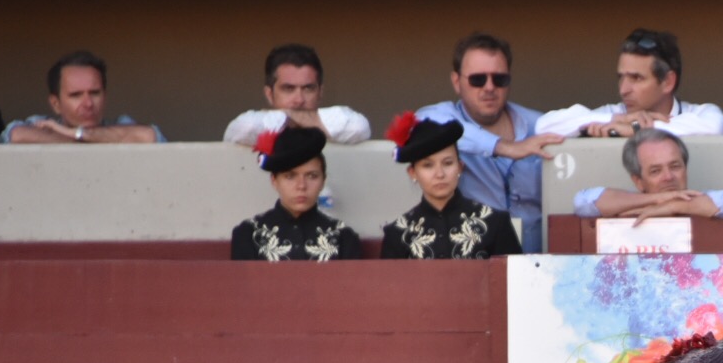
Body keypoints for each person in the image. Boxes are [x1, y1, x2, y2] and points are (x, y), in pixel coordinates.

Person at [415, 32, 564, 254]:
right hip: (474, 263)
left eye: (499, 79)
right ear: (457, 82)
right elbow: (420, 123)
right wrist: (504, 147)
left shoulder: (538, 125)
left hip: (539, 264)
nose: (489, 87)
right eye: (477, 79)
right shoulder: (442, 119)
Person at [536, 28, 723, 139]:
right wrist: (614, 122)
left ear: (668, 82)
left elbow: (714, 128)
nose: (623, 90)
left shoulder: (700, 114)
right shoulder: (614, 115)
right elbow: (543, 127)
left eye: (636, 78)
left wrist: (639, 129)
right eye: (621, 77)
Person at [380, 113, 522, 258]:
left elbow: (515, 279)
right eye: (427, 165)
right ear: (413, 173)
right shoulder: (398, 233)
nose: (440, 174)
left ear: (460, 167)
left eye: (447, 163)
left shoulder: (495, 223)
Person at [230, 125, 362, 261]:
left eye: (312, 176)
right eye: (290, 176)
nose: (301, 186)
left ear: (323, 180)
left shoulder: (343, 236)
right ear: (274, 180)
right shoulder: (248, 233)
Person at [572, 128, 723, 221]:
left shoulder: (701, 201)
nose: (668, 176)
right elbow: (582, 202)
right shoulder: (629, 203)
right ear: (638, 182)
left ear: (685, 169)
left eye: (675, 166)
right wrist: (656, 200)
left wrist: (676, 205)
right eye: (655, 171)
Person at [222, 44, 371, 146]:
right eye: (288, 89)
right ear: (269, 94)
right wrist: (296, 119)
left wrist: (289, 116)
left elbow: (358, 128)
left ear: (320, 92)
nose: (299, 100)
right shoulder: (253, 124)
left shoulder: (342, 123)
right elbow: (246, 128)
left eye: (308, 89)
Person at [0, 51, 163, 143]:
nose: (88, 103)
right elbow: (16, 135)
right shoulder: (41, 125)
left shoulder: (121, 125)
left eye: (95, 93)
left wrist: (76, 134)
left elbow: (149, 135)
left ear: (105, 96)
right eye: (76, 95)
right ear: (55, 104)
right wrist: (90, 140)